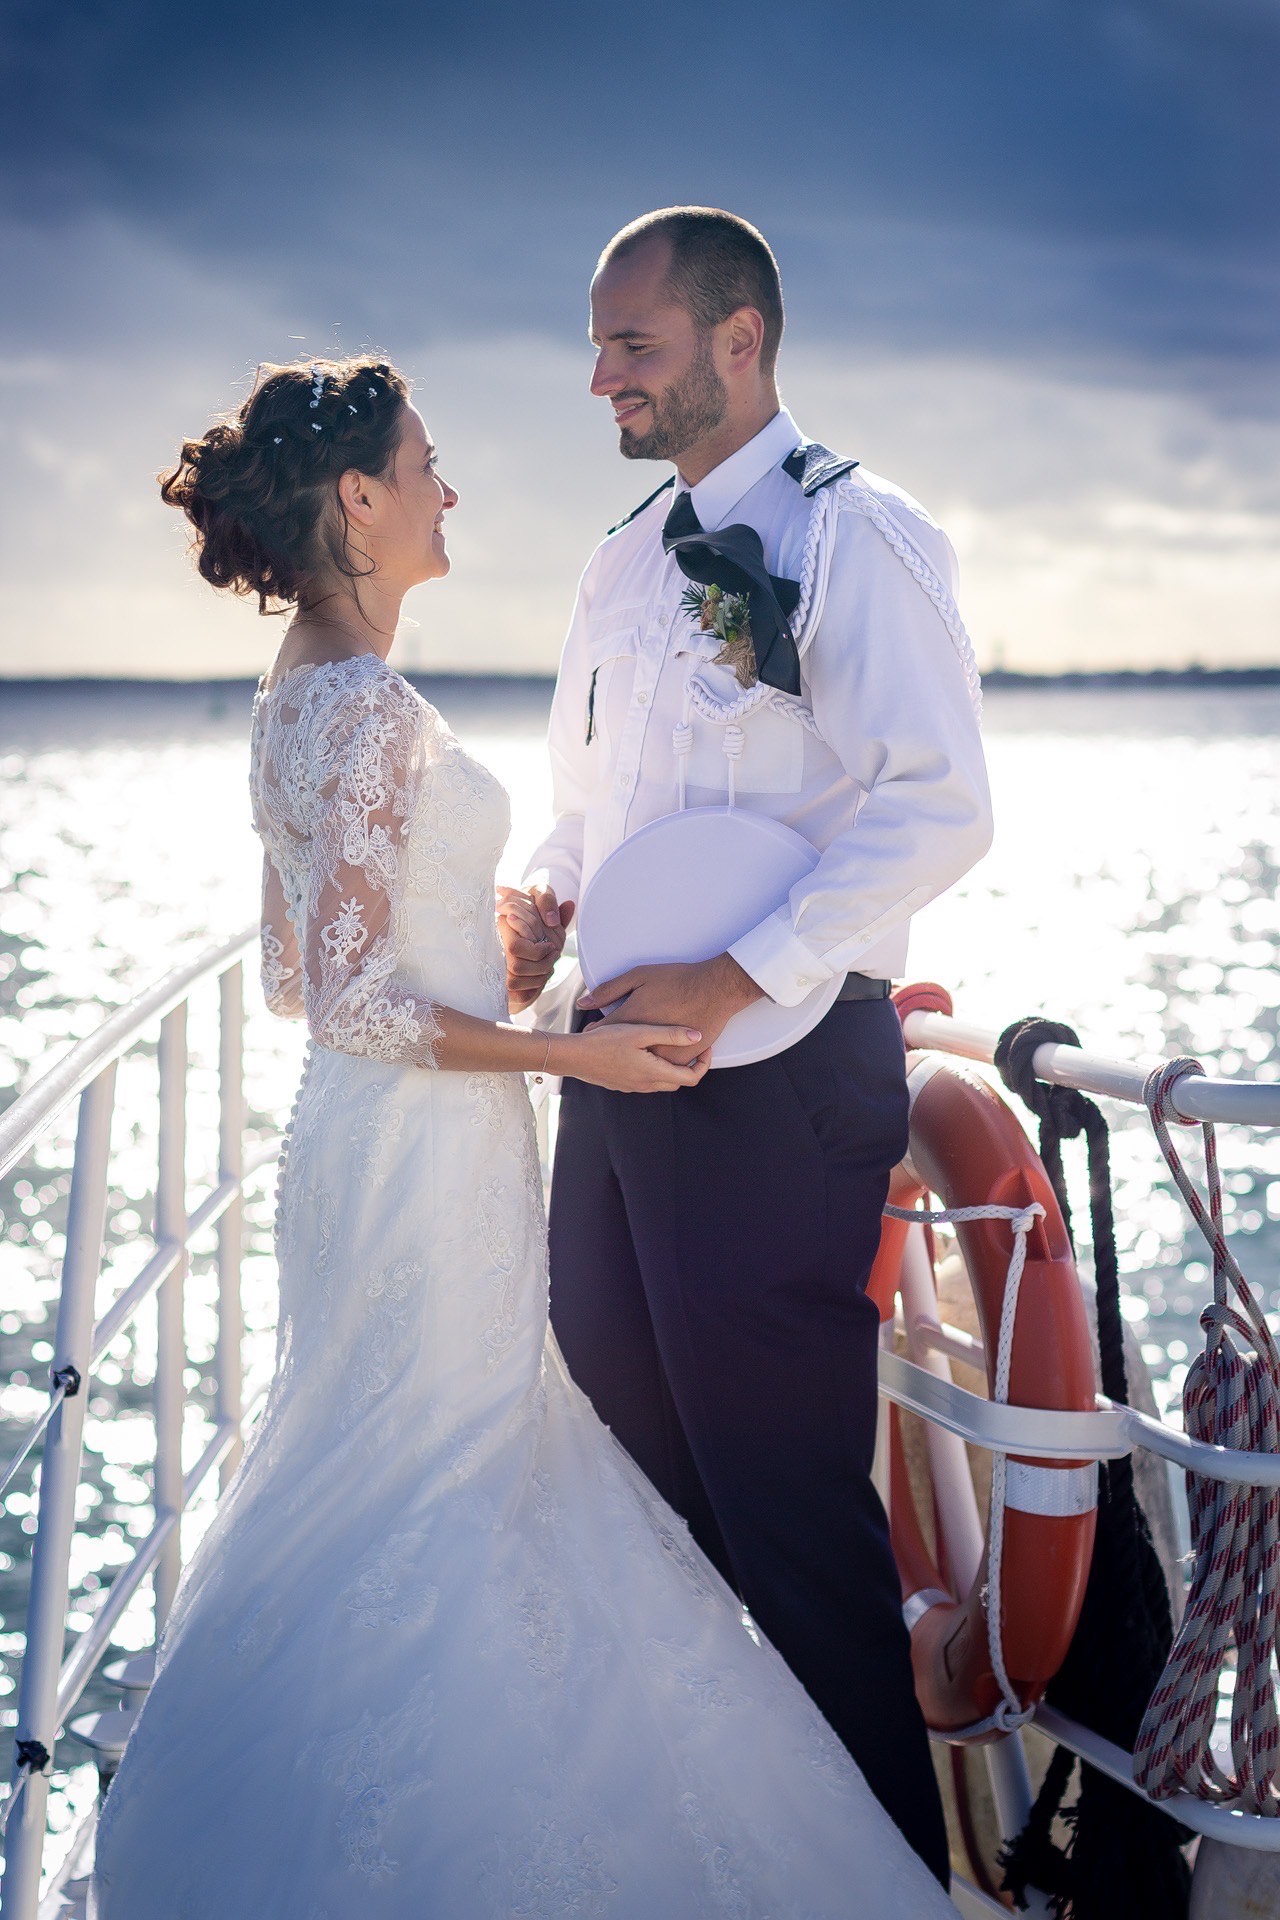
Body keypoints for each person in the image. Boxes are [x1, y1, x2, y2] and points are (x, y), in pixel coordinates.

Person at [89, 354, 958, 1917]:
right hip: (428, 1151)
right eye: (425, 462)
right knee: (449, 1470)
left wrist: (502, 947)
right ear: (358, 499)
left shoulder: (305, 695)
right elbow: (351, 999)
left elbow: (302, 979)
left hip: (385, 1146)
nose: (449, 486)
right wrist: (570, 1052)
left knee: (406, 1469)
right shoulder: (363, 705)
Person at [513, 208, 993, 1883]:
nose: (600, 380)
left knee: (788, 1509)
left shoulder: (866, 538)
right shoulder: (620, 562)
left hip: (778, 1079)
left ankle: (878, 1878)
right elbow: (590, 810)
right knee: (623, 1434)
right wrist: (539, 906)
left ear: (739, 341)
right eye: (598, 346)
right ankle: (733, 1845)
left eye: (629, 346)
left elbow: (943, 810)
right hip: (614, 1077)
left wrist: (740, 978)